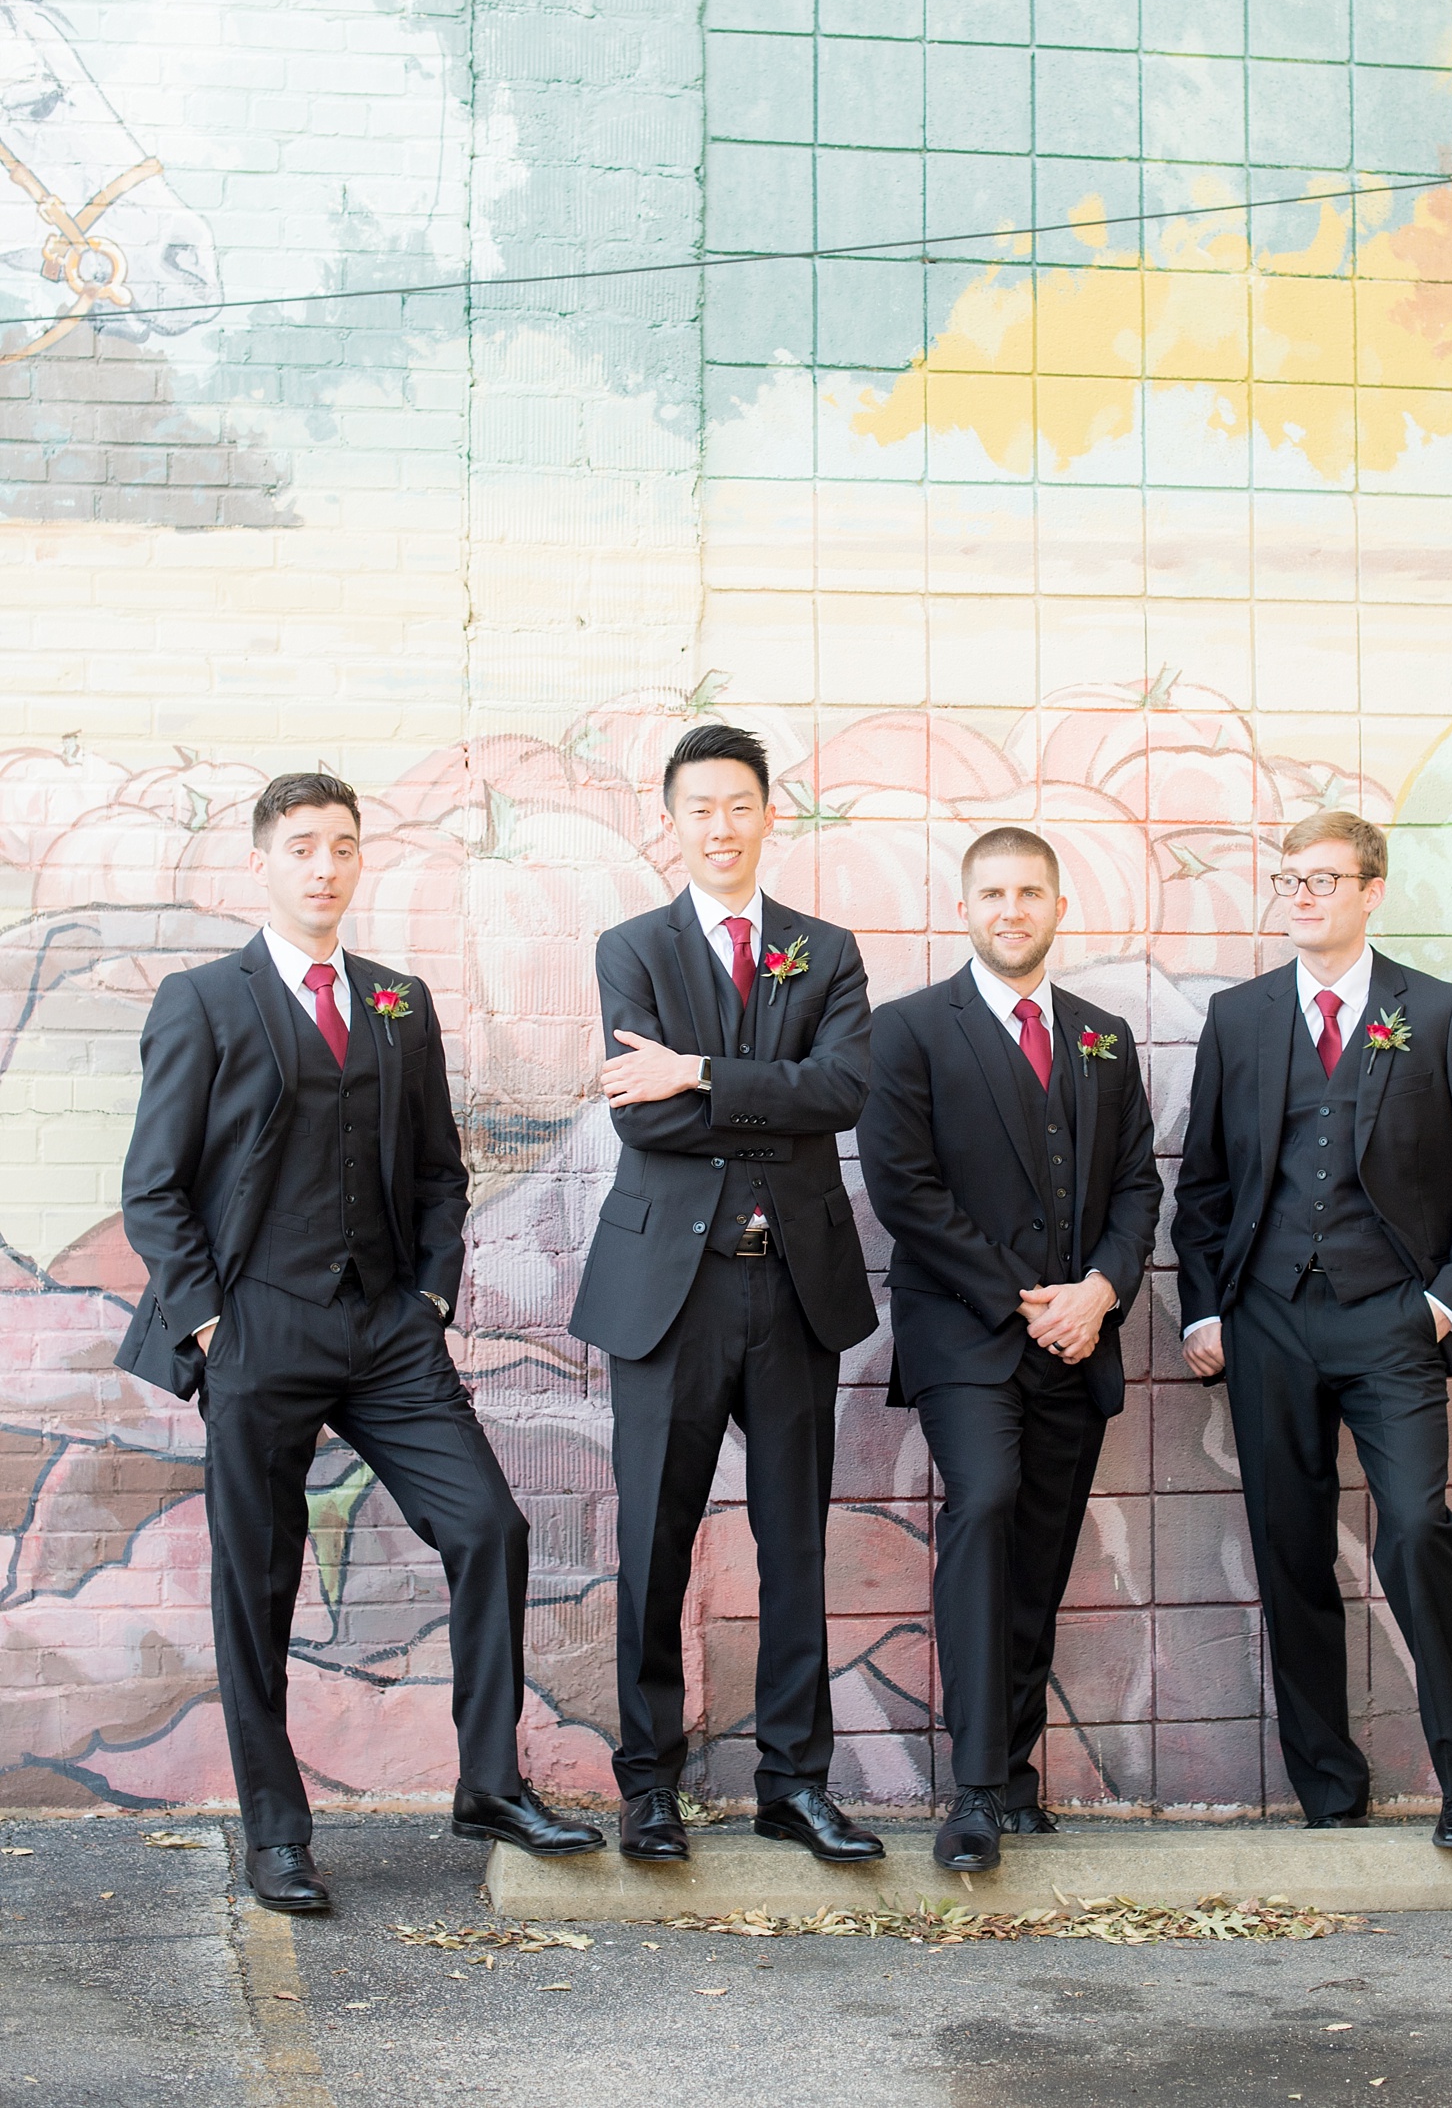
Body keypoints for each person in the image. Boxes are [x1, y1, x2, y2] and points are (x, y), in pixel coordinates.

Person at [118, 772, 603, 1914]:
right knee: (259, 1584)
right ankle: (276, 1833)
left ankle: (488, 1782)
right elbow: (153, 1190)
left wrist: (430, 1295)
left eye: (342, 847)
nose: (324, 867)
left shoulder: (398, 1001)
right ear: (263, 864)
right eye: (302, 848)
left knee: (487, 1526)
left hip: (388, 1329)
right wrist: (209, 1319)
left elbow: (440, 1165)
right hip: (256, 1326)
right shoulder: (203, 1001)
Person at [1172, 810, 1452, 1848]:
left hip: (1391, 1321)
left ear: (1370, 889)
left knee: (1418, 1529)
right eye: (1287, 879)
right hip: (1267, 1323)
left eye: (1322, 880)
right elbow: (1200, 1184)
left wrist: (1442, 1299)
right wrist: (1204, 1307)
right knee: (1288, 1551)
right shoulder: (1237, 1020)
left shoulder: (1435, 1012)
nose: (1301, 896)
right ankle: (1327, 1788)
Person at [573, 723, 885, 1866]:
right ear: (672, 821)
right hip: (669, 1293)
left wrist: (699, 1068)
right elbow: (640, 1114)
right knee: (655, 1541)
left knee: (794, 1540)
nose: (719, 826)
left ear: (768, 816)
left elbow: (843, 1088)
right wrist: (768, 1090)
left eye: (738, 805)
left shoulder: (827, 950)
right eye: (698, 808)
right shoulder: (633, 949)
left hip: (794, 1287)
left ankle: (792, 1784)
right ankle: (648, 1785)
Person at [859, 827, 1161, 1873]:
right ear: (964, 906)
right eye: (991, 892)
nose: (1011, 909)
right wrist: (1025, 1300)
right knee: (983, 1506)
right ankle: (975, 1791)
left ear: (1056, 905)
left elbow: (1135, 1186)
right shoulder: (906, 1033)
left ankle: (1018, 1777)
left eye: (1029, 891)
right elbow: (905, 1189)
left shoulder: (1103, 1037)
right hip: (964, 1336)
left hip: (1079, 1337)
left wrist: (1100, 1291)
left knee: (1041, 1549)